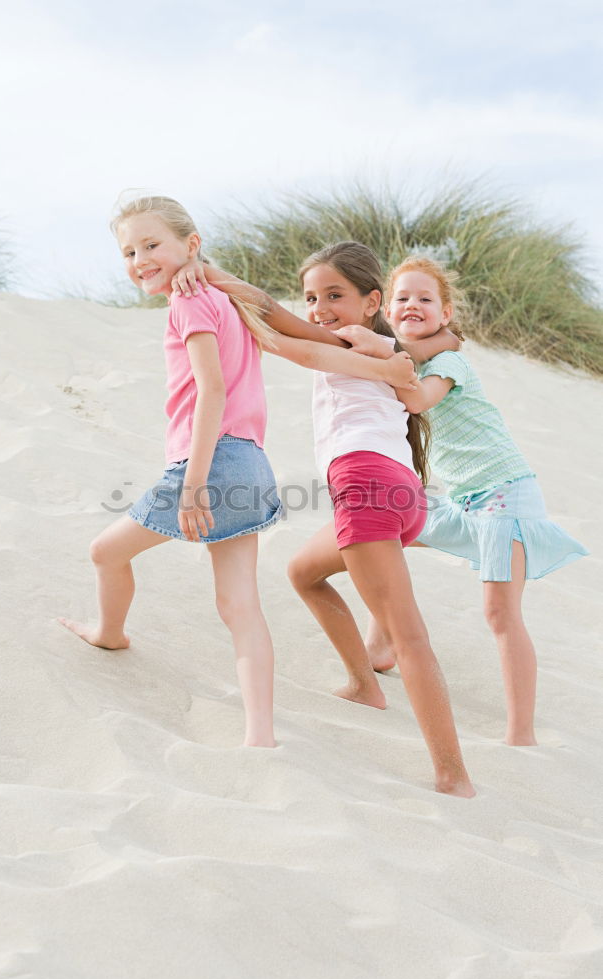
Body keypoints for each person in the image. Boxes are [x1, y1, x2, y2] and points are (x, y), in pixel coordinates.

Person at [60, 199, 418, 750]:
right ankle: (260, 736)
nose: (140, 259)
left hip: (212, 462)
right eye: (129, 251)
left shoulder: (189, 303)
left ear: (191, 245)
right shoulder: (228, 301)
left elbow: (213, 391)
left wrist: (194, 481)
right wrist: (381, 368)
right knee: (239, 606)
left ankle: (109, 633)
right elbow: (304, 349)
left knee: (105, 553)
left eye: (152, 244)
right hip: (252, 465)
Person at [172, 243, 475, 797]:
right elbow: (278, 310)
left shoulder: (352, 340)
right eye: (312, 296)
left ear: (370, 301)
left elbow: (285, 331)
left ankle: (453, 776)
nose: (319, 308)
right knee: (304, 571)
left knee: (410, 639)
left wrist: (217, 287)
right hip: (397, 490)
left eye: (335, 295)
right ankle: (365, 684)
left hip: (366, 485)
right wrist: (226, 285)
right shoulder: (384, 345)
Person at [355, 256, 588, 747]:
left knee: (500, 614)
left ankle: (520, 735)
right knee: (390, 534)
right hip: (464, 500)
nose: (412, 305)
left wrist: (434, 345)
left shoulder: (448, 362)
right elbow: (398, 357)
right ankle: (379, 649)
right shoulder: (411, 352)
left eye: (425, 299)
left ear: (446, 311)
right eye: (402, 298)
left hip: (505, 493)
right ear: (386, 309)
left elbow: (417, 400)